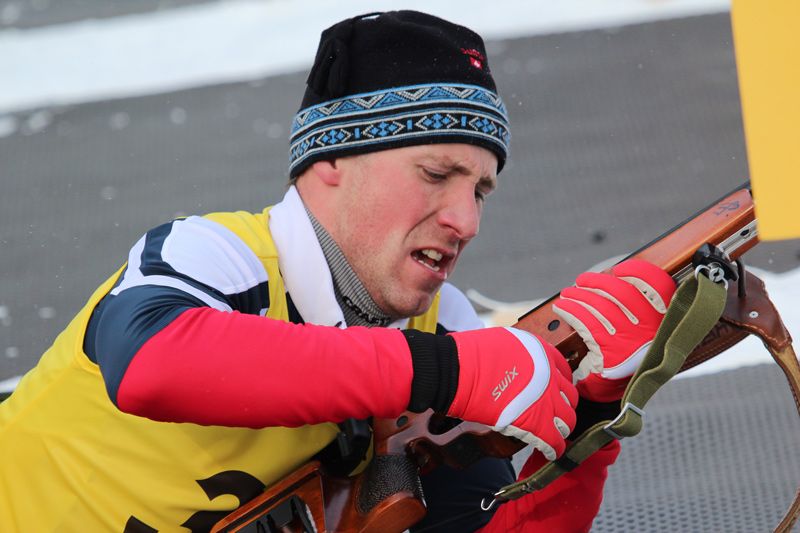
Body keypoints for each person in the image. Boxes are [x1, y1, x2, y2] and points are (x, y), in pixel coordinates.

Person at [0, 10, 676, 532]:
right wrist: (442, 372)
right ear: (329, 162)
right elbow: (151, 365)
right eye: (436, 173)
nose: (466, 220)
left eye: (481, 190)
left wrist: (589, 424)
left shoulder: (447, 328)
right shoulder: (214, 255)